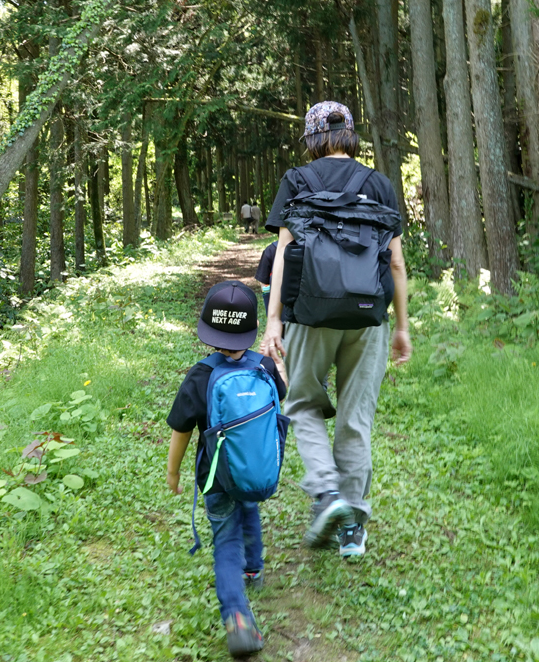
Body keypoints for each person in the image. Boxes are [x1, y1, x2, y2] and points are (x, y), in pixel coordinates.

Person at [260, 101, 410, 560]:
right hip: (369, 317)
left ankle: (327, 496)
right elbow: (397, 262)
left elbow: (284, 253)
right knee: (355, 419)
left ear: (311, 138)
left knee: (302, 402)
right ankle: (353, 531)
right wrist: (401, 326)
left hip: (310, 313)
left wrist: (273, 319)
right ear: (350, 135)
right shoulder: (379, 183)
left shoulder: (297, 181)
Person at [166, 279, 288, 657]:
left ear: (208, 330)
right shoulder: (263, 365)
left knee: (226, 540)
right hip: (253, 469)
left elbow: (181, 430)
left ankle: (236, 616)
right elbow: (281, 393)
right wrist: (278, 364)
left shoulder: (200, 375)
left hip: (216, 477)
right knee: (248, 507)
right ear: (250, 332)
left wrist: (173, 472)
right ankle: (254, 569)